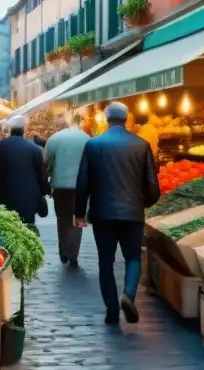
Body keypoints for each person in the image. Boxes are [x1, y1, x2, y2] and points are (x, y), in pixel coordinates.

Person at [75, 102, 160, 325]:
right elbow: (152, 184)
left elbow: (83, 182)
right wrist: (145, 202)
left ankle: (112, 311)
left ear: (106, 118)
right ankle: (129, 294)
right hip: (133, 212)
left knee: (106, 262)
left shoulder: (93, 145)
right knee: (133, 256)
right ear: (127, 118)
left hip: (103, 213)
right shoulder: (141, 145)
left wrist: (79, 212)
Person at [44, 113, 90, 268]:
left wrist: (50, 175)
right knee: (78, 219)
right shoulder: (86, 137)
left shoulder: (54, 139)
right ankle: (73, 254)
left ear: (60, 125)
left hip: (60, 186)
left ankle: (64, 249)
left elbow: (47, 162)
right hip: (81, 187)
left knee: (62, 219)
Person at [0, 115, 49, 227]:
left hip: (4, 196)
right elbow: (40, 174)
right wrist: (43, 191)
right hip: (28, 198)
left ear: (10, 131)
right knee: (27, 229)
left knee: (7, 228)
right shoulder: (34, 149)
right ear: (23, 131)